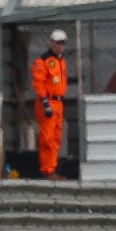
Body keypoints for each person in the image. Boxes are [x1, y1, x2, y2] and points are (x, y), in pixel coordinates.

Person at [30, 29, 68, 179]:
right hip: (48, 102)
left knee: (56, 138)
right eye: (58, 43)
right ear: (52, 43)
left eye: (63, 43)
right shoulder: (42, 62)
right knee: (47, 138)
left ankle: (52, 169)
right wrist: (45, 103)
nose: (61, 46)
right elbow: (39, 84)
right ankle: (47, 170)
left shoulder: (61, 62)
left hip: (59, 103)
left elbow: (60, 81)